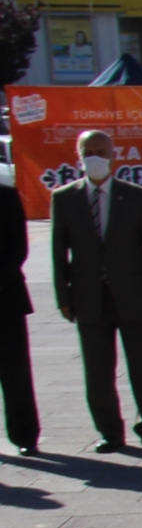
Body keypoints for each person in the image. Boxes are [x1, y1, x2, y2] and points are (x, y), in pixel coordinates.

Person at [52, 128, 142, 453]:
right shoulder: (64, 198)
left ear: (114, 156)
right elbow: (58, 251)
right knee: (98, 371)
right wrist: (64, 296)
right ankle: (109, 432)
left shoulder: (135, 195)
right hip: (89, 297)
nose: (96, 158)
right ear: (78, 155)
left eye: (102, 151)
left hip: (135, 295)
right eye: (89, 151)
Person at [0, 183, 33, 456]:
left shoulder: (7, 195)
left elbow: (18, 247)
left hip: (6, 296)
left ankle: (24, 434)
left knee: (15, 372)